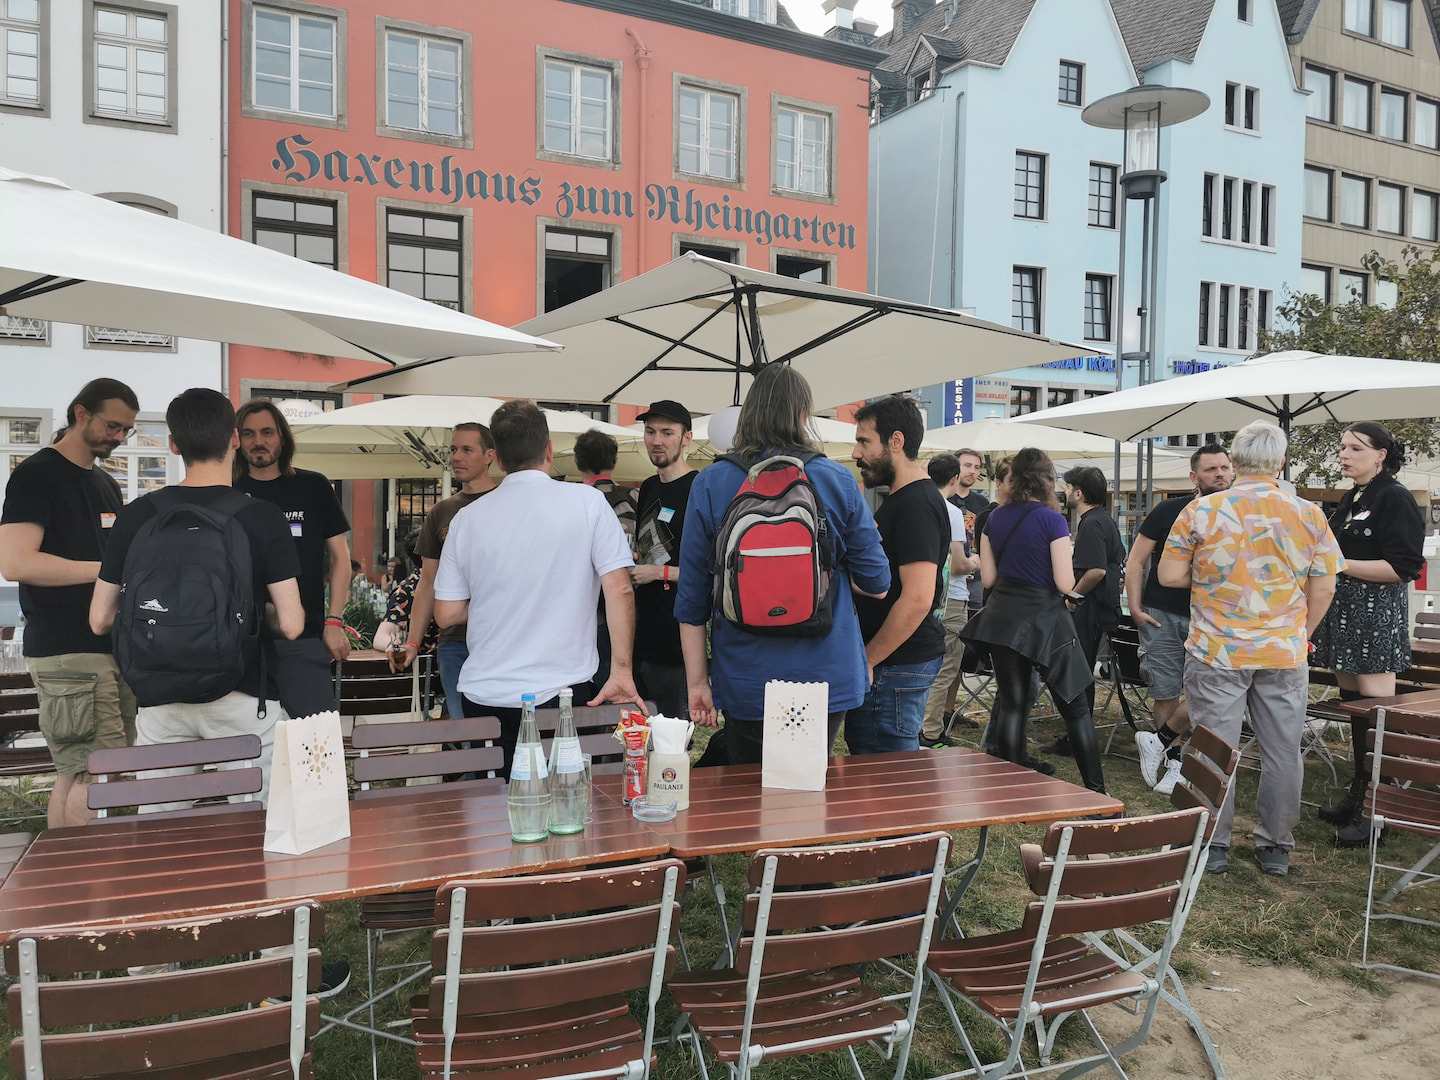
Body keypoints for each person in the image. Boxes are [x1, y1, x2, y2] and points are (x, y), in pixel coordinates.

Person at [89, 389, 304, 806]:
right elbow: (293, 624)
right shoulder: (260, 516)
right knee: (262, 825)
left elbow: (99, 619)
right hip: (242, 696)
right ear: (235, 440)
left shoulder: (138, 515)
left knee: (161, 832)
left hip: (158, 696)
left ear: (173, 444)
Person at [675, 365, 890, 764]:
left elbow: (691, 601)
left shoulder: (710, 483)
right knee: (807, 790)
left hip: (745, 676)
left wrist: (697, 683)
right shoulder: (837, 479)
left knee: (750, 797)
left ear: (748, 415)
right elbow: (878, 582)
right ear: (804, 417)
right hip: (827, 670)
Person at [1159, 420, 1343, 877]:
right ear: (1280, 462)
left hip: (1217, 648)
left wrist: (1213, 577)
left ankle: (1211, 843)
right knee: (1283, 749)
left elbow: (1168, 576)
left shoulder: (1200, 511)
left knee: (1213, 748)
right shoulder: (1311, 514)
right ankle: (1275, 846)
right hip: (1283, 649)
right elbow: (1324, 587)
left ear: (1234, 462)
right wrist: (1300, 632)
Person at [433, 401, 642, 776]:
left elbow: (446, 613)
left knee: (495, 817)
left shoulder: (466, 519)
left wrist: (494, 599)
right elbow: (620, 590)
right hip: (562, 690)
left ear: (497, 459)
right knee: (565, 809)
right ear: (549, 450)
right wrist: (621, 670)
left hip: (486, 692)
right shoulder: (588, 503)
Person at [0, 378, 140, 828]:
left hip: (103, 646)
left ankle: (71, 879)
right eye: (113, 426)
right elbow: (15, 562)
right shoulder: (37, 474)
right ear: (81, 413)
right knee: (93, 773)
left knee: (88, 770)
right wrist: (105, 573)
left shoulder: (104, 483)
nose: (118, 437)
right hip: (66, 649)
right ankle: (89, 887)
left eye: (127, 431)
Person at [960, 448, 1108, 794]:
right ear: (1046, 479)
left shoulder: (993, 517)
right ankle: (1096, 792)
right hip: (1046, 619)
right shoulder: (1053, 520)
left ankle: (1014, 791)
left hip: (1003, 618)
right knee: (1076, 709)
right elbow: (1063, 584)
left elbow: (990, 578)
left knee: (1012, 704)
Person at [1311, 422, 1425, 847]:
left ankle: (1382, 810)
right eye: (1343, 447)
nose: (1344, 454)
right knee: (1357, 714)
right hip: (1344, 619)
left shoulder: (1394, 498)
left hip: (1375, 620)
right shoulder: (1351, 497)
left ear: (1380, 455)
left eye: (1355, 448)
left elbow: (1404, 567)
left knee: (1378, 719)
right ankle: (1360, 794)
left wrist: (1341, 566)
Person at [845, 395, 950, 754]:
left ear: (896, 441)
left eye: (864, 441)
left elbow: (918, 597)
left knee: (882, 780)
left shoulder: (916, 504)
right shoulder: (903, 499)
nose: (857, 453)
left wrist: (869, 660)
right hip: (893, 663)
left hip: (894, 665)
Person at [234, 400, 352, 718]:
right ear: (236, 439)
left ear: (282, 437)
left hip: (304, 638)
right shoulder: (226, 490)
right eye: (249, 433)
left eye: (267, 432)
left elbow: (341, 558)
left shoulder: (313, 486)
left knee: (315, 751)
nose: (258, 441)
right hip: (238, 644)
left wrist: (334, 620)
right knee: (248, 752)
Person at [1126, 443, 1233, 794]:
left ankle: (1159, 743)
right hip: (1163, 614)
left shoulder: (1237, 512)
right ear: (1194, 476)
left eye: (1224, 468)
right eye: (1211, 469)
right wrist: (1136, 608)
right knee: (1166, 689)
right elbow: (1136, 561)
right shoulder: (1170, 509)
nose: (1220, 474)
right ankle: (1174, 765)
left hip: (1213, 615)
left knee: (1208, 690)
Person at [396, 424, 497, 714]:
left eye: (467, 449)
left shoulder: (508, 502)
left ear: (489, 455)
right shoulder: (441, 512)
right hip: (454, 641)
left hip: (502, 638)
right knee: (465, 737)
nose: (456, 457)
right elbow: (428, 582)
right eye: (453, 449)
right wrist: (413, 643)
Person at [629, 400, 697, 718]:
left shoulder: (699, 488)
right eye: (650, 431)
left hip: (679, 643)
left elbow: (712, 570)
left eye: (667, 433)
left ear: (687, 438)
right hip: (642, 637)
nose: (656, 441)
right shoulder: (648, 486)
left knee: (672, 742)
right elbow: (650, 549)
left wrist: (659, 572)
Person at [919, 454, 978, 747]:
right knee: (946, 668)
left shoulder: (921, 504)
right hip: (951, 598)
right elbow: (957, 565)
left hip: (925, 595)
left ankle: (921, 726)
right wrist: (975, 561)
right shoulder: (952, 511)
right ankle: (931, 732)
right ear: (954, 479)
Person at [574, 428, 638, 693]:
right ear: (614, 462)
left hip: (584, 613)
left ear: (578, 462)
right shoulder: (633, 497)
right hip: (630, 608)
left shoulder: (574, 500)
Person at [1061, 466, 1125, 720]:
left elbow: (1096, 571)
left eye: (1067, 488)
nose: (1064, 491)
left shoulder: (1091, 524)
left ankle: (1078, 730)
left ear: (1078, 493)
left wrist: (1072, 598)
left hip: (1090, 608)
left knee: (1079, 670)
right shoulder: (1104, 519)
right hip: (1100, 606)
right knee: (1082, 669)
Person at [373, 529, 438, 661]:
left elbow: (380, 636)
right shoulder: (408, 590)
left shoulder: (405, 589)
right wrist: (396, 647)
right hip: (425, 669)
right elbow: (380, 637)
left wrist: (395, 646)